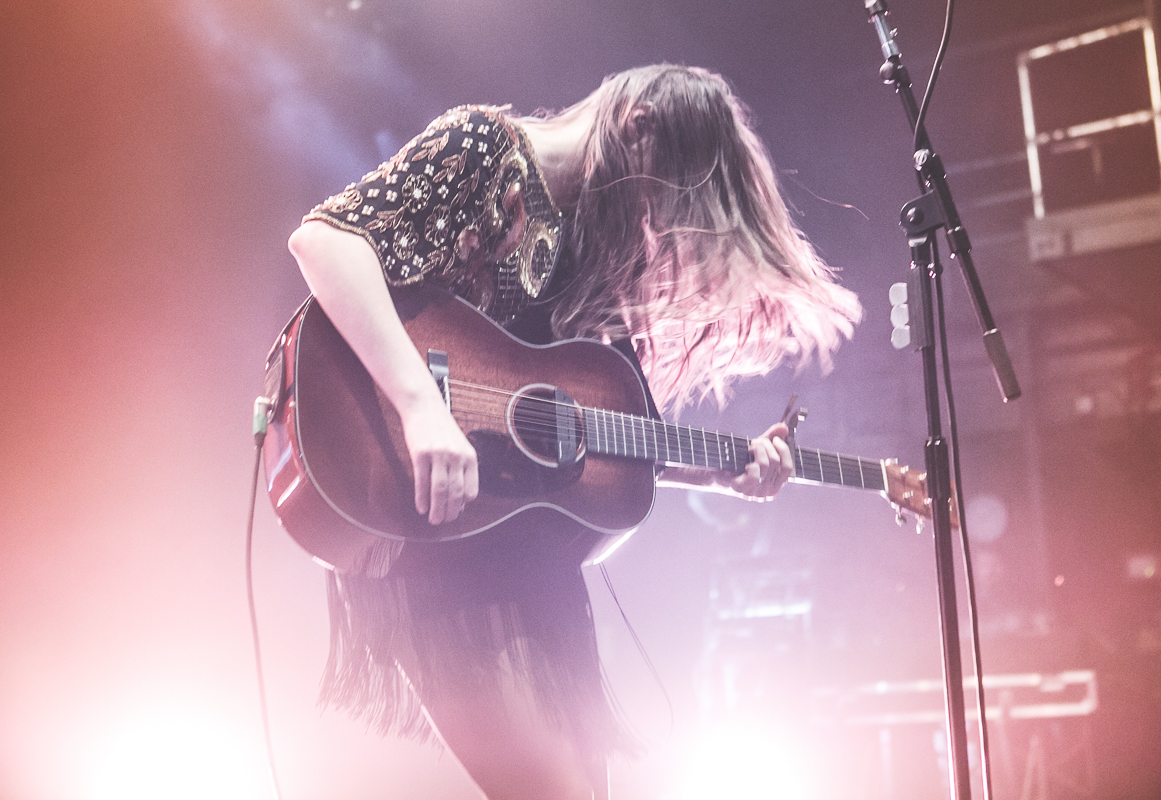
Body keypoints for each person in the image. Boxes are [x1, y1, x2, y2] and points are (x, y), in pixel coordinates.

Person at [287, 64, 861, 800]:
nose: (659, 216)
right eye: (668, 189)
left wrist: (725, 469)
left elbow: (597, 437)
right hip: (434, 542)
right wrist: (420, 406)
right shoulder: (483, 147)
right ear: (638, 124)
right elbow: (325, 242)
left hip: (528, 563)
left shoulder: (599, 249)